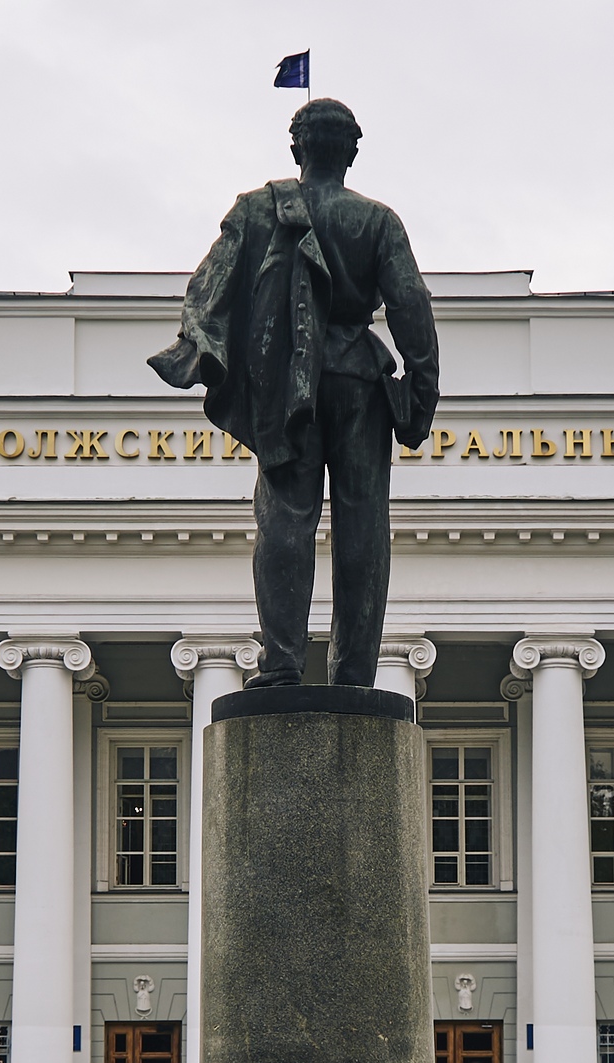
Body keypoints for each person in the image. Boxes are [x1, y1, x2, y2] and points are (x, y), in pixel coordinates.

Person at [149, 98, 440, 689]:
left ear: (296, 149)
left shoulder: (257, 210)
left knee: (285, 521)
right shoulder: (377, 221)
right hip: (361, 381)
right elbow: (412, 307)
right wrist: (422, 390)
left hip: (289, 390)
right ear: (352, 153)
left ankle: (281, 665)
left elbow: (208, 286)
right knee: (363, 527)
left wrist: (202, 349)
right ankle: (354, 675)